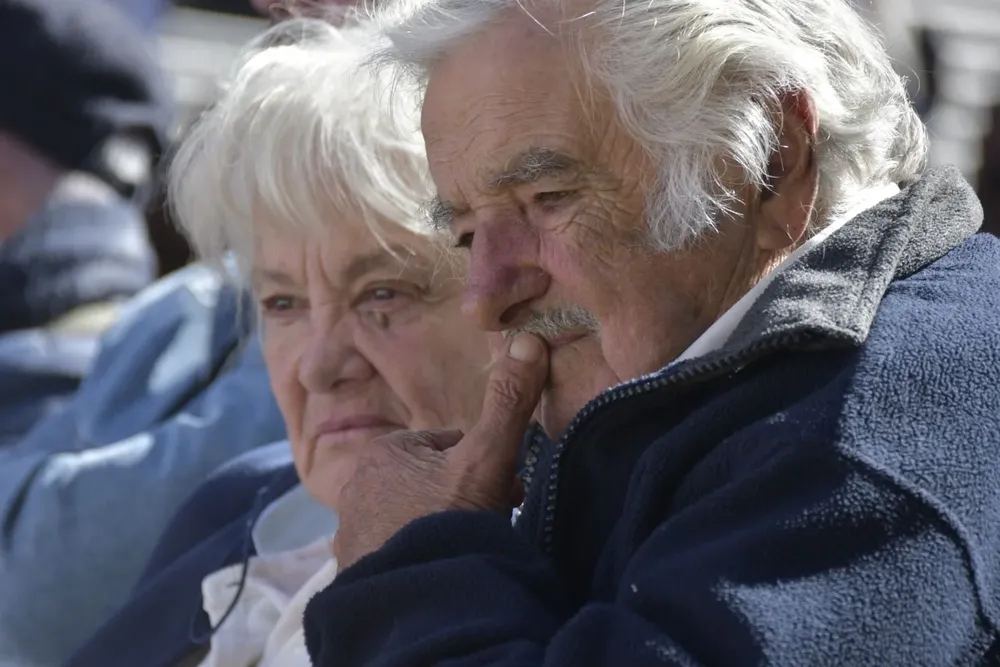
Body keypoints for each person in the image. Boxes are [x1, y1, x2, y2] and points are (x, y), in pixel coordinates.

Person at [299, 1, 1000, 665]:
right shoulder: (741, 379)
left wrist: (415, 569)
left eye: (548, 201)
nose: (484, 298)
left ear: (770, 162)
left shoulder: (871, 434)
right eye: (467, 234)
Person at [67, 18, 490, 667]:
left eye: (384, 293)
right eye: (282, 303)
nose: (320, 366)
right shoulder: (240, 505)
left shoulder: (575, 579)